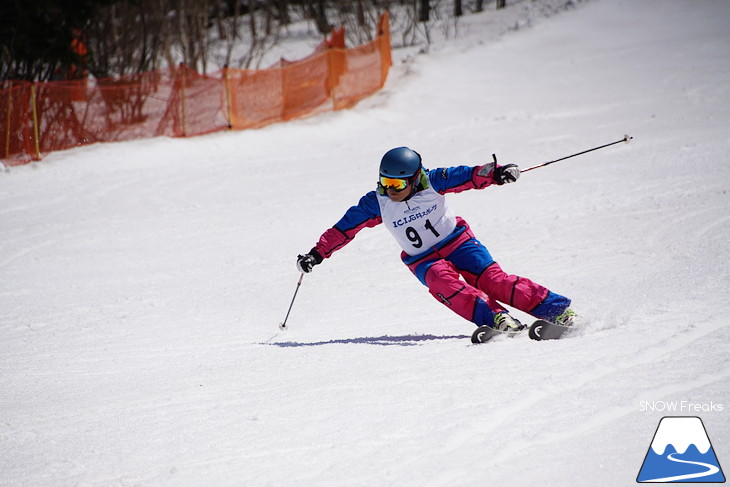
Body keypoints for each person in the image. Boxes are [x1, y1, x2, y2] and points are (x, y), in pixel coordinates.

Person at [296, 147, 574, 332]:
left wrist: (496, 173)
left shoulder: (433, 181)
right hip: (422, 259)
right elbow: (344, 229)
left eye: (397, 184)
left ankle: (557, 310)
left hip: (459, 243)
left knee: (494, 281)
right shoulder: (376, 202)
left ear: (415, 178)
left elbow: (467, 175)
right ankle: (496, 319)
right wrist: (316, 254)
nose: (390, 190)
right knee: (442, 282)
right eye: (385, 182)